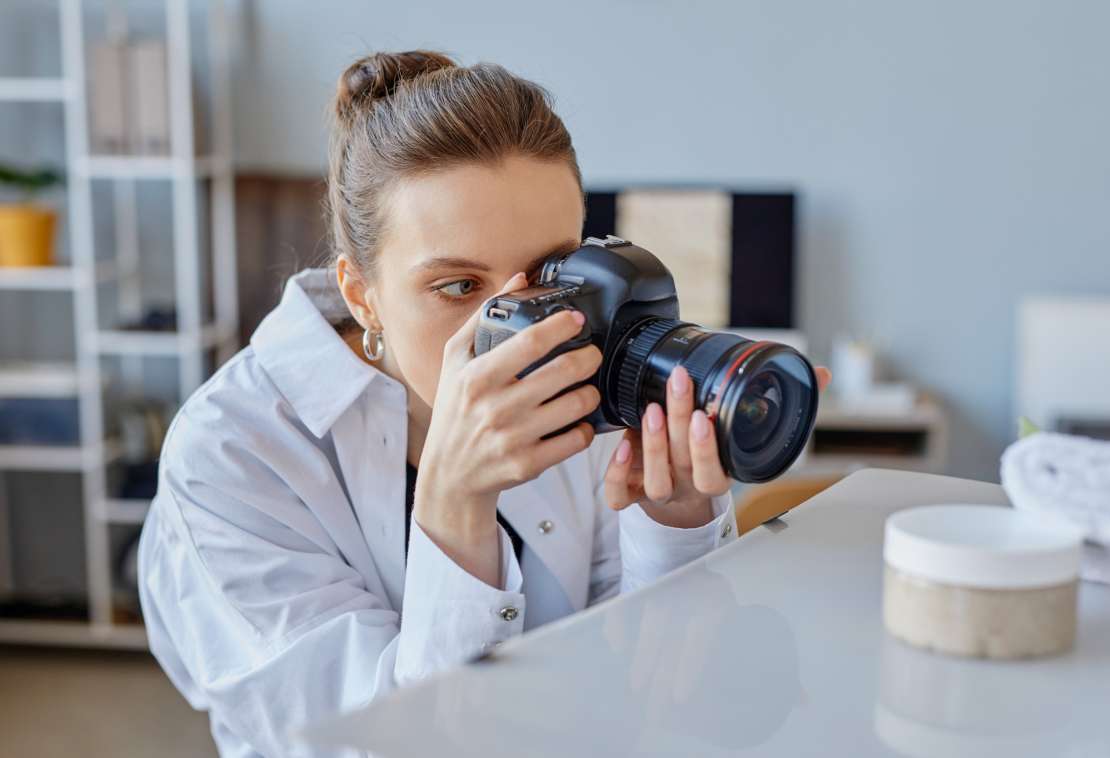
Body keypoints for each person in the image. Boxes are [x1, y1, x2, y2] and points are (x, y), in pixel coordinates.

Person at [138, 50, 831, 757]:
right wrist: (452, 507)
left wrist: (675, 521)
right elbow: (356, 747)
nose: (521, 332)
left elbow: (640, 689)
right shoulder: (228, 457)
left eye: (552, 277)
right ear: (361, 295)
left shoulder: (582, 363)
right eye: (458, 287)